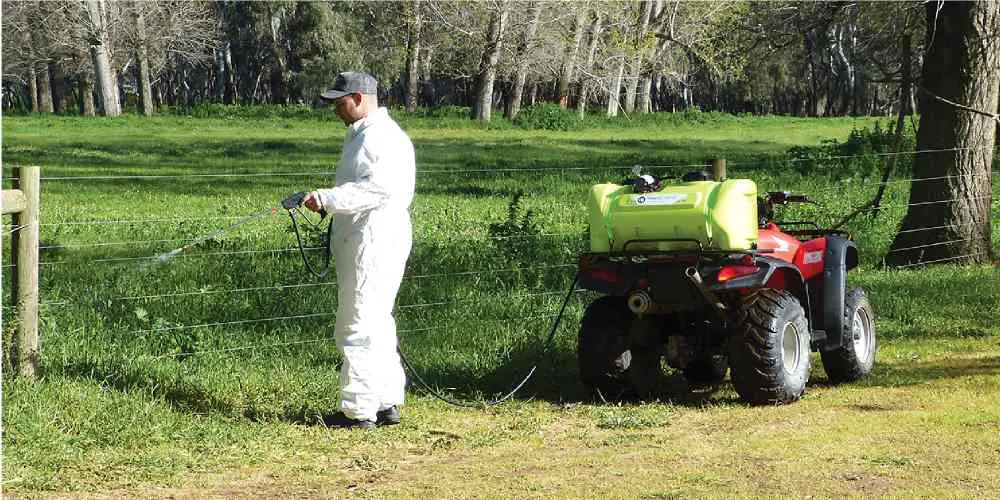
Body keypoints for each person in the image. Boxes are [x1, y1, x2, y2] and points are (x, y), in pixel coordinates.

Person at [301, 71, 415, 429]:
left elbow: (376, 189)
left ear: (360, 99)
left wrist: (327, 198)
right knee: (377, 320)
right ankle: (384, 402)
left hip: (373, 238)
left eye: (340, 101)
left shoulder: (377, 138)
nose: (336, 109)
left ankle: (357, 410)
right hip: (371, 236)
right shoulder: (368, 135)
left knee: (356, 325)